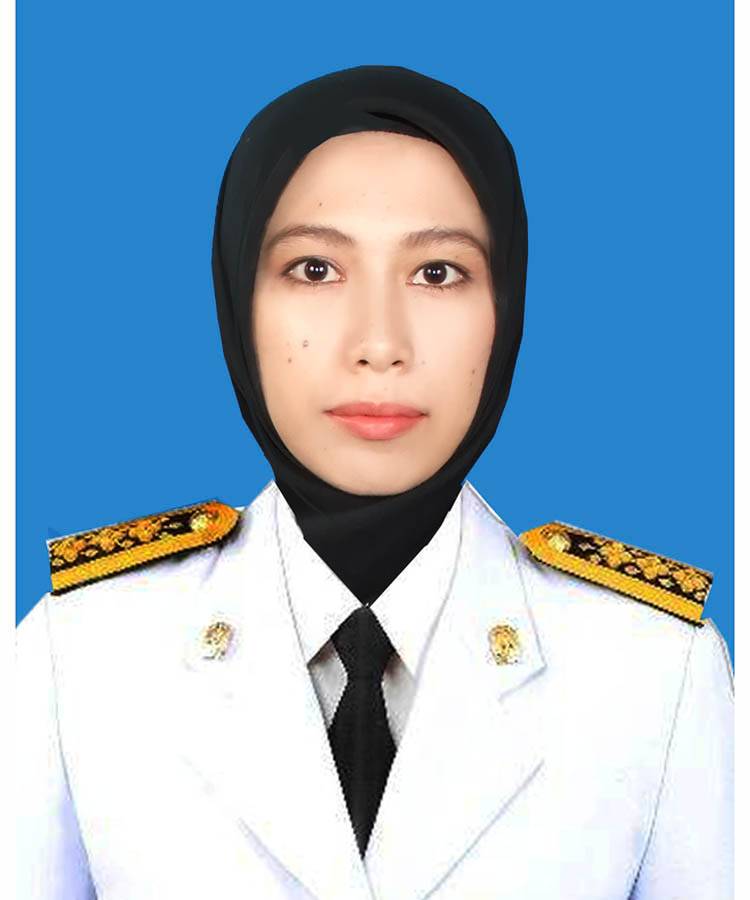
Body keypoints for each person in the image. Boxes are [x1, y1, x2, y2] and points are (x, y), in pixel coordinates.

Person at [16, 65, 733, 900]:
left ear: (506, 308)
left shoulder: (653, 668)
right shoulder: (84, 651)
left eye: (439, 273)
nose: (380, 343)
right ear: (237, 299)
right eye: (315, 269)